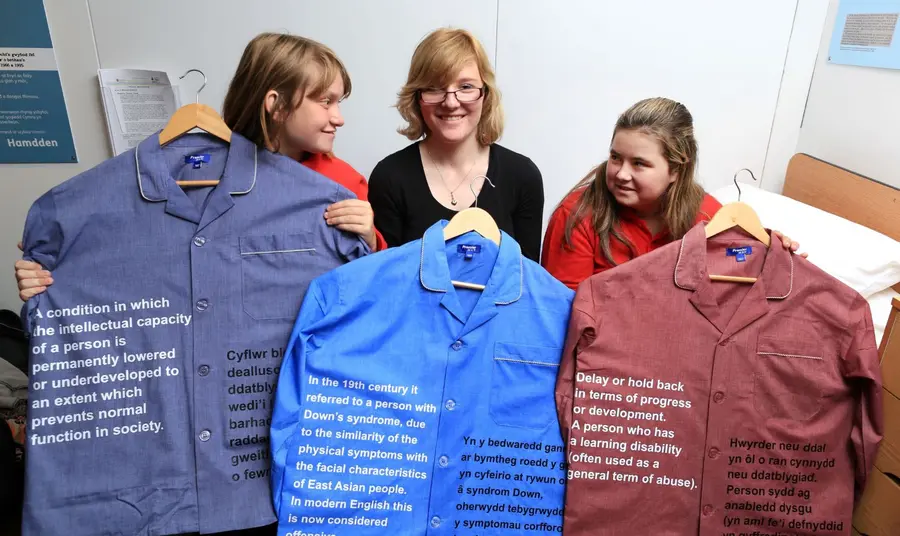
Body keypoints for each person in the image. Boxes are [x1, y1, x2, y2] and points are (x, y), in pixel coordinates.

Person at [15, 32, 385, 302]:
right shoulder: (181, 175)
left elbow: (372, 282)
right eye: (326, 101)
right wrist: (54, 271)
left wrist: (369, 238)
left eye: (340, 102)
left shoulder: (344, 183)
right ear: (277, 104)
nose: (339, 118)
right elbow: (137, 256)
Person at [541, 97, 802, 290]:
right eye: (615, 157)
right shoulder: (576, 215)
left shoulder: (709, 217)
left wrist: (772, 254)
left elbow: (740, 272)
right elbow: (564, 313)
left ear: (676, 169)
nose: (621, 173)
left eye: (639, 164)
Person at [368, 28, 545, 262]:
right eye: (434, 88)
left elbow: (527, 282)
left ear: (486, 94)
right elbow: (385, 281)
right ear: (417, 97)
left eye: (466, 87)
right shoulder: (390, 176)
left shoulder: (522, 176)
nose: (451, 102)